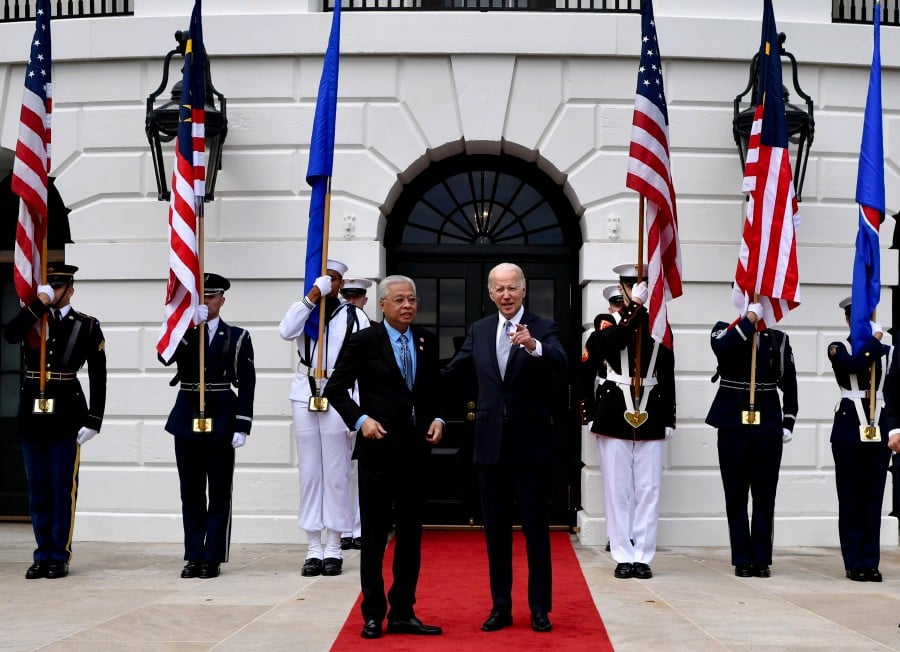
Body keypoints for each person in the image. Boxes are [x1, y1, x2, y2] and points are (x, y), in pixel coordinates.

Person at [443, 262, 567, 634]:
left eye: (512, 287)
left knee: (535, 530)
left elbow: (561, 362)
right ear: (490, 293)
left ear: (524, 290)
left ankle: (539, 609)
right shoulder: (480, 330)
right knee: (495, 532)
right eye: (499, 289)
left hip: (531, 447)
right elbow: (454, 372)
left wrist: (533, 346)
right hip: (489, 447)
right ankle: (500, 607)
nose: (506, 295)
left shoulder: (545, 327)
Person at [324, 275, 444, 640]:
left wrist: (437, 418)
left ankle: (404, 612)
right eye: (399, 300)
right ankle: (373, 614)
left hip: (415, 452)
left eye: (412, 300)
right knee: (375, 538)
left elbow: (433, 388)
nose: (407, 305)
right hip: (378, 451)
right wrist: (361, 420)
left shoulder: (426, 340)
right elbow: (335, 389)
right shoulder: (365, 341)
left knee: (410, 536)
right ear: (383, 304)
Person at [3, 264, 106, 580]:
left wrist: (94, 419)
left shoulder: (86, 326)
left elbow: (99, 376)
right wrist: (38, 304)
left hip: (66, 417)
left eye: (58, 287)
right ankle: (42, 553)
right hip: (32, 417)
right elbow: (10, 334)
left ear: (70, 290)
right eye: (49, 286)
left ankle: (58, 555)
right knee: (39, 490)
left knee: (62, 488)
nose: (53, 291)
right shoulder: (33, 321)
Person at [578, 264, 675, 581]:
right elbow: (613, 344)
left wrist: (670, 414)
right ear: (622, 287)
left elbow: (667, 370)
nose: (636, 288)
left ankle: (643, 556)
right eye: (631, 285)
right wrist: (635, 307)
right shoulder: (607, 321)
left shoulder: (656, 322)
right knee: (617, 489)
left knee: (649, 489)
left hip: (651, 411)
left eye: (641, 284)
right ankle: (622, 554)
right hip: (614, 411)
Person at [160, 272, 256, 579]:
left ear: (222, 300)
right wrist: (188, 325)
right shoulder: (183, 331)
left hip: (222, 417)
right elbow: (164, 355)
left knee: (218, 491)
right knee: (190, 492)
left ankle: (212, 556)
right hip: (187, 416)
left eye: (212, 296)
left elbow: (248, 384)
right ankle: (193, 554)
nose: (207, 301)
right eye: (202, 296)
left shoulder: (238, 336)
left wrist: (243, 424)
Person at [278, 260, 370, 576]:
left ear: (341, 284)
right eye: (323, 277)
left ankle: (334, 546)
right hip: (305, 392)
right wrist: (313, 295)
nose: (328, 283)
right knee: (311, 472)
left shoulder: (353, 315)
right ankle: (312, 547)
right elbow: (285, 331)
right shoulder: (304, 308)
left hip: (340, 393)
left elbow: (366, 356)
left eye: (332, 279)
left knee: (336, 472)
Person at [706, 300, 797, 578]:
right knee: (735, 495)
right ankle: (741, 558)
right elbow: (723, 348)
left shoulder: (778, 340)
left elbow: (790, 383)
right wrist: (748, 320)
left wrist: (789, 420)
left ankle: (761, 558)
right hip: (733, 422)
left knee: (765, 494)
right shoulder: (724, 330)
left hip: (767, 423)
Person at [829, 297, 893, 581]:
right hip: (848, 430)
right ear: (848, 321)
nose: (861, 325)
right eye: (856, 320)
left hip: (878, 428)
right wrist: (876, 339)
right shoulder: (838, 348)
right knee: (851, 498)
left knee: (873, 498)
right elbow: (854, 366)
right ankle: (854, 561)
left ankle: (871, 561)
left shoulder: (888, 351)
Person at [337, 277, 373, 551]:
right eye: (347, 298)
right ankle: (344, 528)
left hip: (363, 409)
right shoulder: (334, 330)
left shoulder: (370, 333)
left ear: (365, 300)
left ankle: (360, 527)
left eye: (356, 298)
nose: (352, 303)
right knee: (341, 472)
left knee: (361, 471)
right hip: (339, 407)